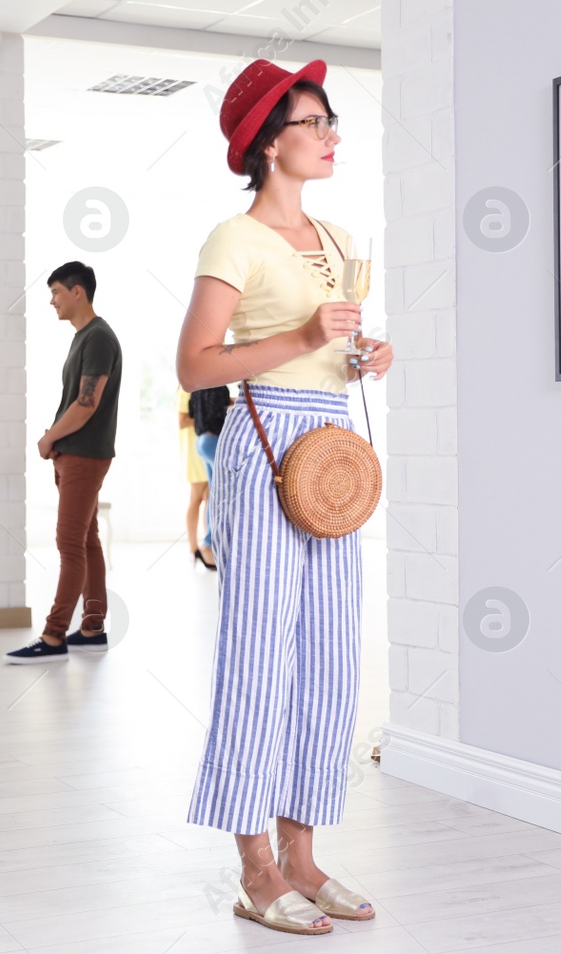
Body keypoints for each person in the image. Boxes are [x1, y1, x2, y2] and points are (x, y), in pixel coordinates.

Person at [177, 59, 393, 937]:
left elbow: (327, 349)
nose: (331, 133)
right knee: (259, 656)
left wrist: (361, 354)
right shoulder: (233, 239)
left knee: (332, 658)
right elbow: (194, 366)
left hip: (331, 453)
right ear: (269, 142)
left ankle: (304, 854)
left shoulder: (338, 240)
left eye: (332, 120)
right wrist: (304, 334)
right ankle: (256, 865)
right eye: (314, 121)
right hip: (262, 443)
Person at [5, 262, 122, 665]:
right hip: (76, 454)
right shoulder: (85, 338)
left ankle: (53, 637)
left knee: (69, 544)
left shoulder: (98, 339)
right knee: (87, 541)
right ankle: (92, 629)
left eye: (55, 292)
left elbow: (86, 404)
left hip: (84, 455)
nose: (51, 301)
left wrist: (50, 436)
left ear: (77, 292)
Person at [188, 383, 231, 572]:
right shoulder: (219, 386)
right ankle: (209, 543)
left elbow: (192, 412)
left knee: (215, 493)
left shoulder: (197, 385)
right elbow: (218, 417)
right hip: (214, 440)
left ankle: (209, 543)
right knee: (223, 494)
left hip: (201, 441)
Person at [177, 386, 214, 570]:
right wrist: (205, 417)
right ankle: (193, 548)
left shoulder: (202, 386)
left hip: (203, 443)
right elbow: (182, 421)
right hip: (193, 448)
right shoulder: (186, 389)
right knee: (196, 498)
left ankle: (207, 545)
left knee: (209, 498)